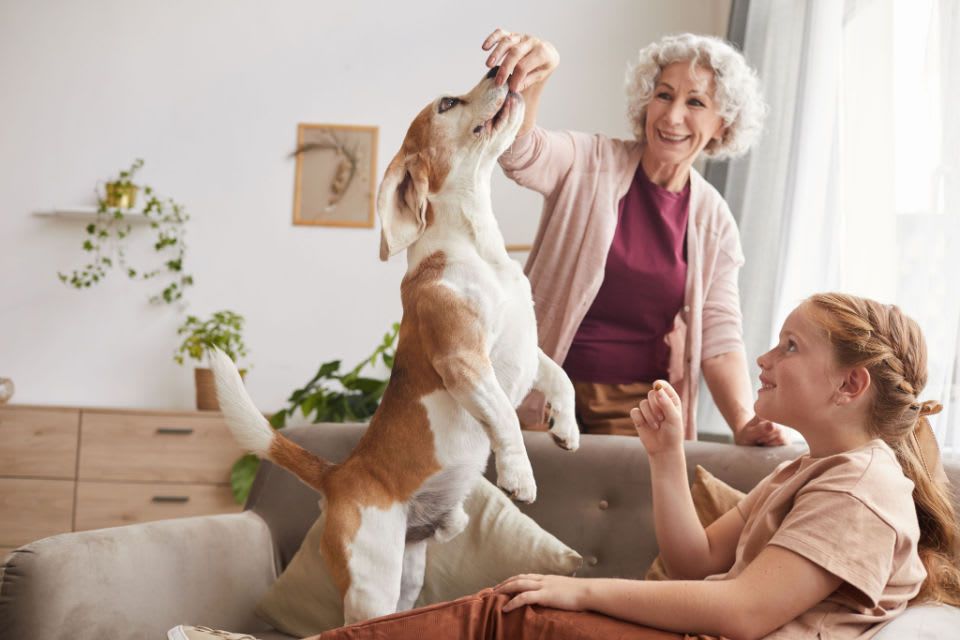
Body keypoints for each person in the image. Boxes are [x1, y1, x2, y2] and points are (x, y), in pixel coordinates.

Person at [175, 292, 960, 639]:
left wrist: (580, 587)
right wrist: (662, 458)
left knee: (511, 614)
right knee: (514, 614)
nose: (764, 356)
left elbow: (744, 612)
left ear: (850, 384)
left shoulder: (862, 486)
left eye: (791, 346)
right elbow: (694, 565)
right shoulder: (806, 471)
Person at [484, 29, 786, 446]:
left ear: (722, 125)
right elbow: (517, 154)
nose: (672, 116)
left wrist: (742, 422)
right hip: (540, 388)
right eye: (663, 95)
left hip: (634, 409)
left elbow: (719, 338)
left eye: (695, 102)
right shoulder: (589, 162)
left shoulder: (713, 220)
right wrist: (536, 77)